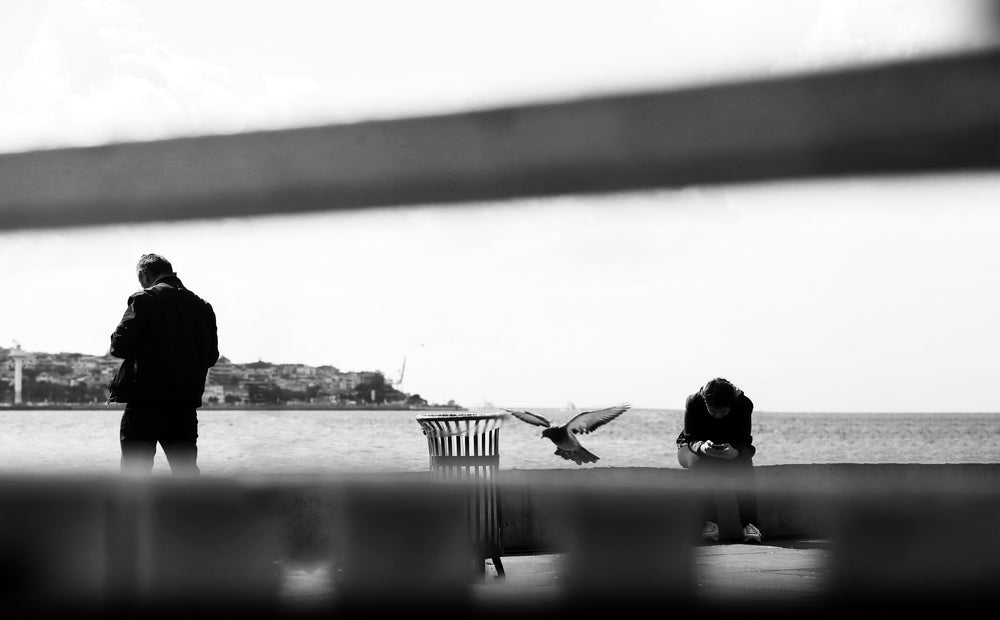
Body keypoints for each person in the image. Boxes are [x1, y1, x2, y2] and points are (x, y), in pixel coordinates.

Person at [110, 253, 219, 475]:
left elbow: (118, 347)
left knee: (135, 475)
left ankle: (136, 510)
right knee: (186, 473)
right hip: (183, 405)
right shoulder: (202, 307)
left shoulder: (143, 300)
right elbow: (211, 357)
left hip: (144, 404)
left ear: (143, 274)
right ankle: (190, 510)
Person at [675, 377, 763, 544]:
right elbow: (690, 438)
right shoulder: (693, 402)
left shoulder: (744, 404)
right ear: (705, 403)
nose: (718, 416)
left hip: (729, 447)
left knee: (745, 467)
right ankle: (709, 523)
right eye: (713, 411)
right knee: (700, 465)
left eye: (723, 412)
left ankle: (750, 525)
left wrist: (735, 453)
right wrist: (702, 447)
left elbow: (745, 443)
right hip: (693, 447)